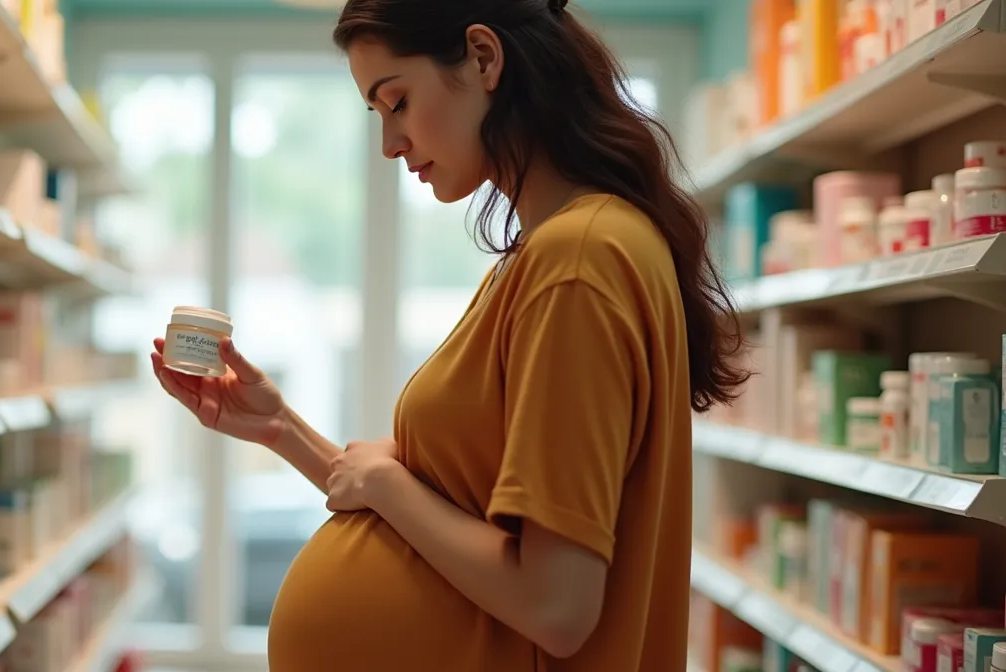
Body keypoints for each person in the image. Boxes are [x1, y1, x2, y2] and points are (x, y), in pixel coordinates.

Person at [149, 0, 747, 669]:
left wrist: (389, 485)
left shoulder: (578, 260)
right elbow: (453, 524)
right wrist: (279, 427)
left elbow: (557, 606)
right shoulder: (551, 252)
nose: (389, 143)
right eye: (376, 115)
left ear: (485, 58)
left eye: (397, 102)